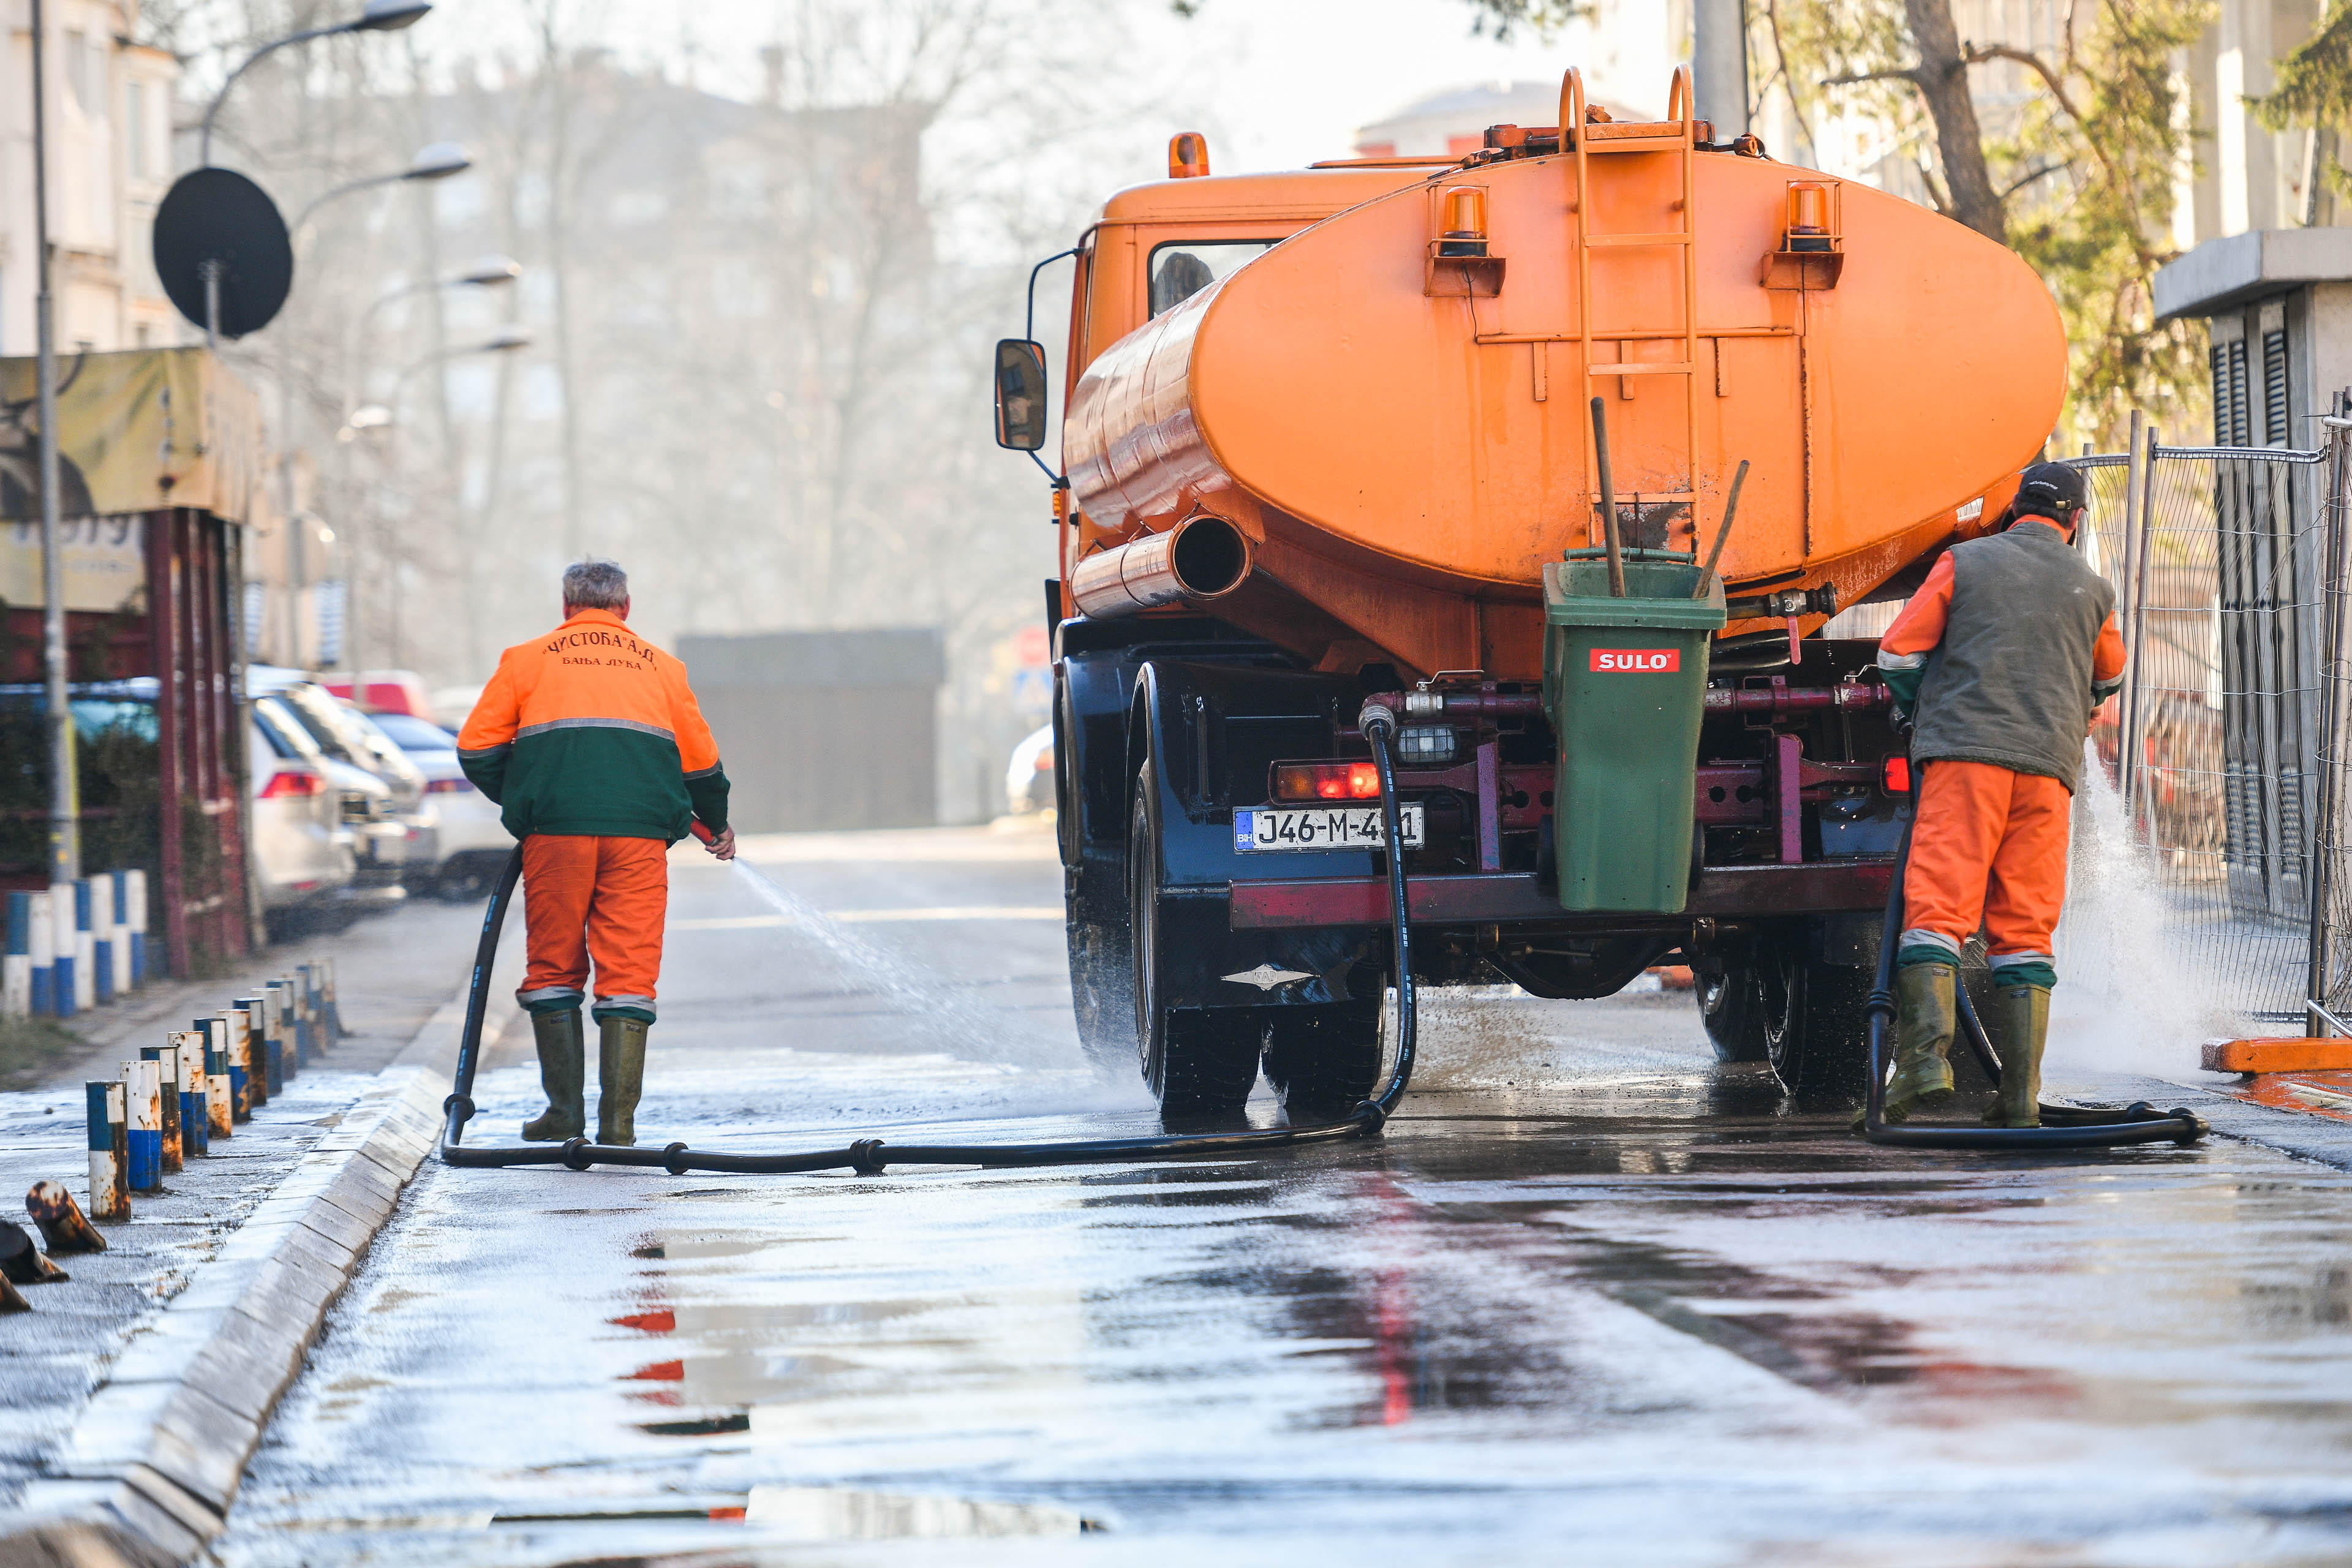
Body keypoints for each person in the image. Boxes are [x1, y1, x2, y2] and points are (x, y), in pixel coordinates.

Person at [1871, 462, 2126, 1126]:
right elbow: (2110, 675)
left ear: (2016, 509)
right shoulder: (2093, 588)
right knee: (2027, 927)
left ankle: (1924, 1063)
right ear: (2074, 522)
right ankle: (2019, 1100)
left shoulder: (1966, 562)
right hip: (2048, 771)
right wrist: (2076, 709)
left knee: (1937, 908)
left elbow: (1898, 654)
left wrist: (1917, 710)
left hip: (1964, 759)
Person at [457, 560, 736, 1145]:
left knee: (554, 966)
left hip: (555, 836)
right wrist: (717, 824)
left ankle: (563, 1113)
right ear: (626, 608)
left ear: (566, 607)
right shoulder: (663, 667)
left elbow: (477, 749)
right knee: (629, 973)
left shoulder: (526, 660)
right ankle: (619, 1124)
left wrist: (531, 798)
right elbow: (702, 764)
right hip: (638, 839)